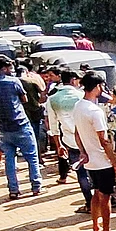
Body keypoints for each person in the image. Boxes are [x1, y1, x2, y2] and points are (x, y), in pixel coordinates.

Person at [0, 55, 43, 199]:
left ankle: (13, 190)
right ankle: (36, 187)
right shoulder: (13, 81)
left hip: (4, 127)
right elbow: (24, 99)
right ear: (5, 68)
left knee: (9, 159)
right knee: (32, 157)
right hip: (21, 124)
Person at [73, 71, 116, 231]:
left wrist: (83, 151)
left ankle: (95, 228)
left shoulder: (78, 106)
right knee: (105, 197)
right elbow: (104, 140)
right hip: (102, 161)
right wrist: (114, 163)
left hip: (90, 161)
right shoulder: (95, 111)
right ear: (98, 87)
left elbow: (77, 133)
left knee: (96, 194)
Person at [46, 70, 91, 211]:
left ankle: (89, 203)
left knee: (81, 173)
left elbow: (53, 126)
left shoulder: (52, 99)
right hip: (87, 138)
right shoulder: (81, 96)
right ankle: (101, 202)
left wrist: (58, 145)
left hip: (70, 141)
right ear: (73, 81)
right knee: (94, 171)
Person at [18, 65, 48, 156]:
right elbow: (43, 96)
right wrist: (37, 102)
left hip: (21, 112)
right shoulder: (32, 81)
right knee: (36, 134)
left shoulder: (13, 82)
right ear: (27, 72)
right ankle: (38, 157)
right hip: (34, 110)